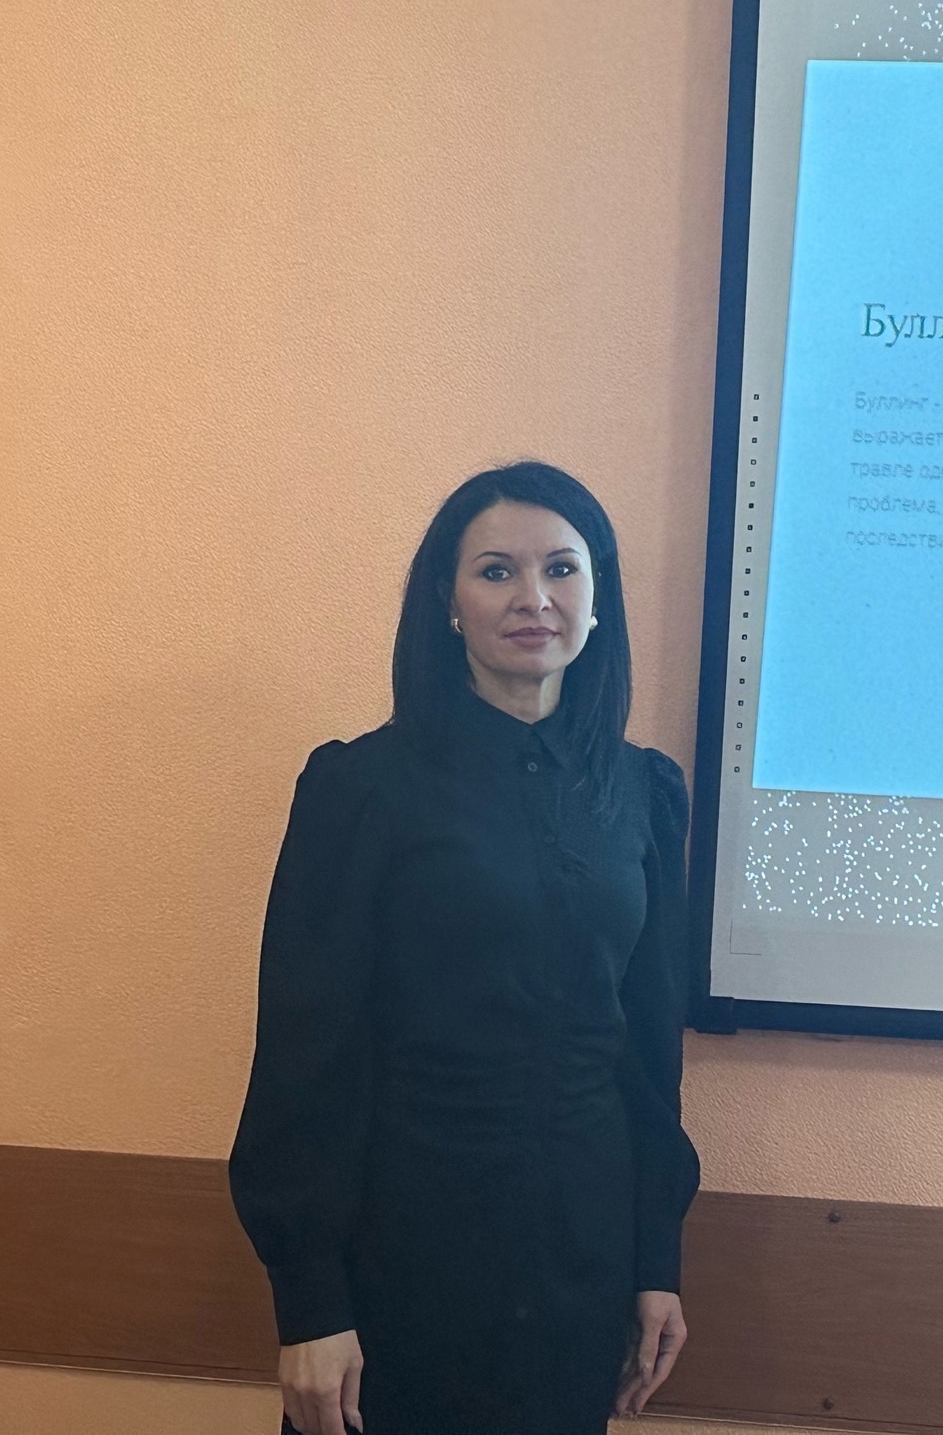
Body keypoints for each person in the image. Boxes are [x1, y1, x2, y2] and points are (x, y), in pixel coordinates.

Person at [231, 462, 701, 1435]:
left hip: (581, 1262)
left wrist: (656, 1259)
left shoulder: (643, 793)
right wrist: (309, 1302)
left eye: (561, 569)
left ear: (599, 599)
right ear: (446, 602)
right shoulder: (360, 789)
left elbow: (650, 1053)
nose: (533, 597)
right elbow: (305, 1056)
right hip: (402, 1257)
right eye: (496, 571)